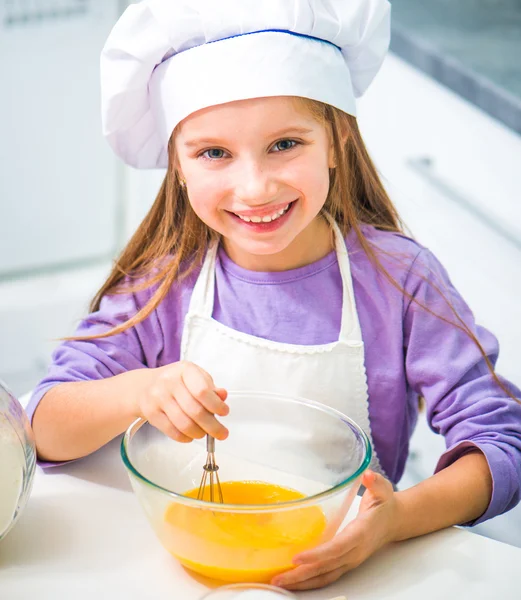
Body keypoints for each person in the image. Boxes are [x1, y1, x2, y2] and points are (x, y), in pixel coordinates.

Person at [27, 0, 521, 591]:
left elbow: (501, 444)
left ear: (336, 139)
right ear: (177, 166)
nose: (255, 186)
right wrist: (138, 390)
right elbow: (44, 426)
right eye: (214, 153)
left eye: (286, 143)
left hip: (344, 569)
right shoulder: (164, 282)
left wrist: (395, 521)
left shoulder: (399, 279)